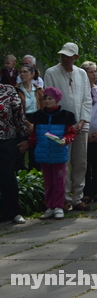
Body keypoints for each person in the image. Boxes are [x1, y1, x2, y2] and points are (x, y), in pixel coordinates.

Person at [44, 42, 92, 212]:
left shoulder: (81, 74)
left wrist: (82, 121)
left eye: (68, 55)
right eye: (63, 55)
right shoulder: (51, 72)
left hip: (80, 125)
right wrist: (61, 121)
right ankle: (64, 199)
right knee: (63, 162)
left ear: (76, 57)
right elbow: (49, 98)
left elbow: (87, 97)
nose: (65, 58)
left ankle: (78, 197)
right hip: (60, 125)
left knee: (80, 162)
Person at [29, 87, 77, 220]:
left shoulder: (66, 115)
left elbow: (71, 133)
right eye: (45, 98)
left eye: (50, 98)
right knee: (48, 182)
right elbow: (34, 135)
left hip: (58, 153)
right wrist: (28, 143)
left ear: (56, 100)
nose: (47, 101)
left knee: (59, 181)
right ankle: (49, 206)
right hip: (43, 153)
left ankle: (59, 206)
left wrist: (65, 140)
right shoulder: (38, 116)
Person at [0, 84, 30, 223]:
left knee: (7, 175)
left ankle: (13, 212)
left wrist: (25, 138)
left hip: (6, 139)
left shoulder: (8, 90)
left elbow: (19, 115)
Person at [81, 61, 97, 204]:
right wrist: (86, 131)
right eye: (91, 72)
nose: (94, 74)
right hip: (85, 132)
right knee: (85, 163)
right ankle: (86, 192)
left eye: (95, 71)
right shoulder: (80, 92)